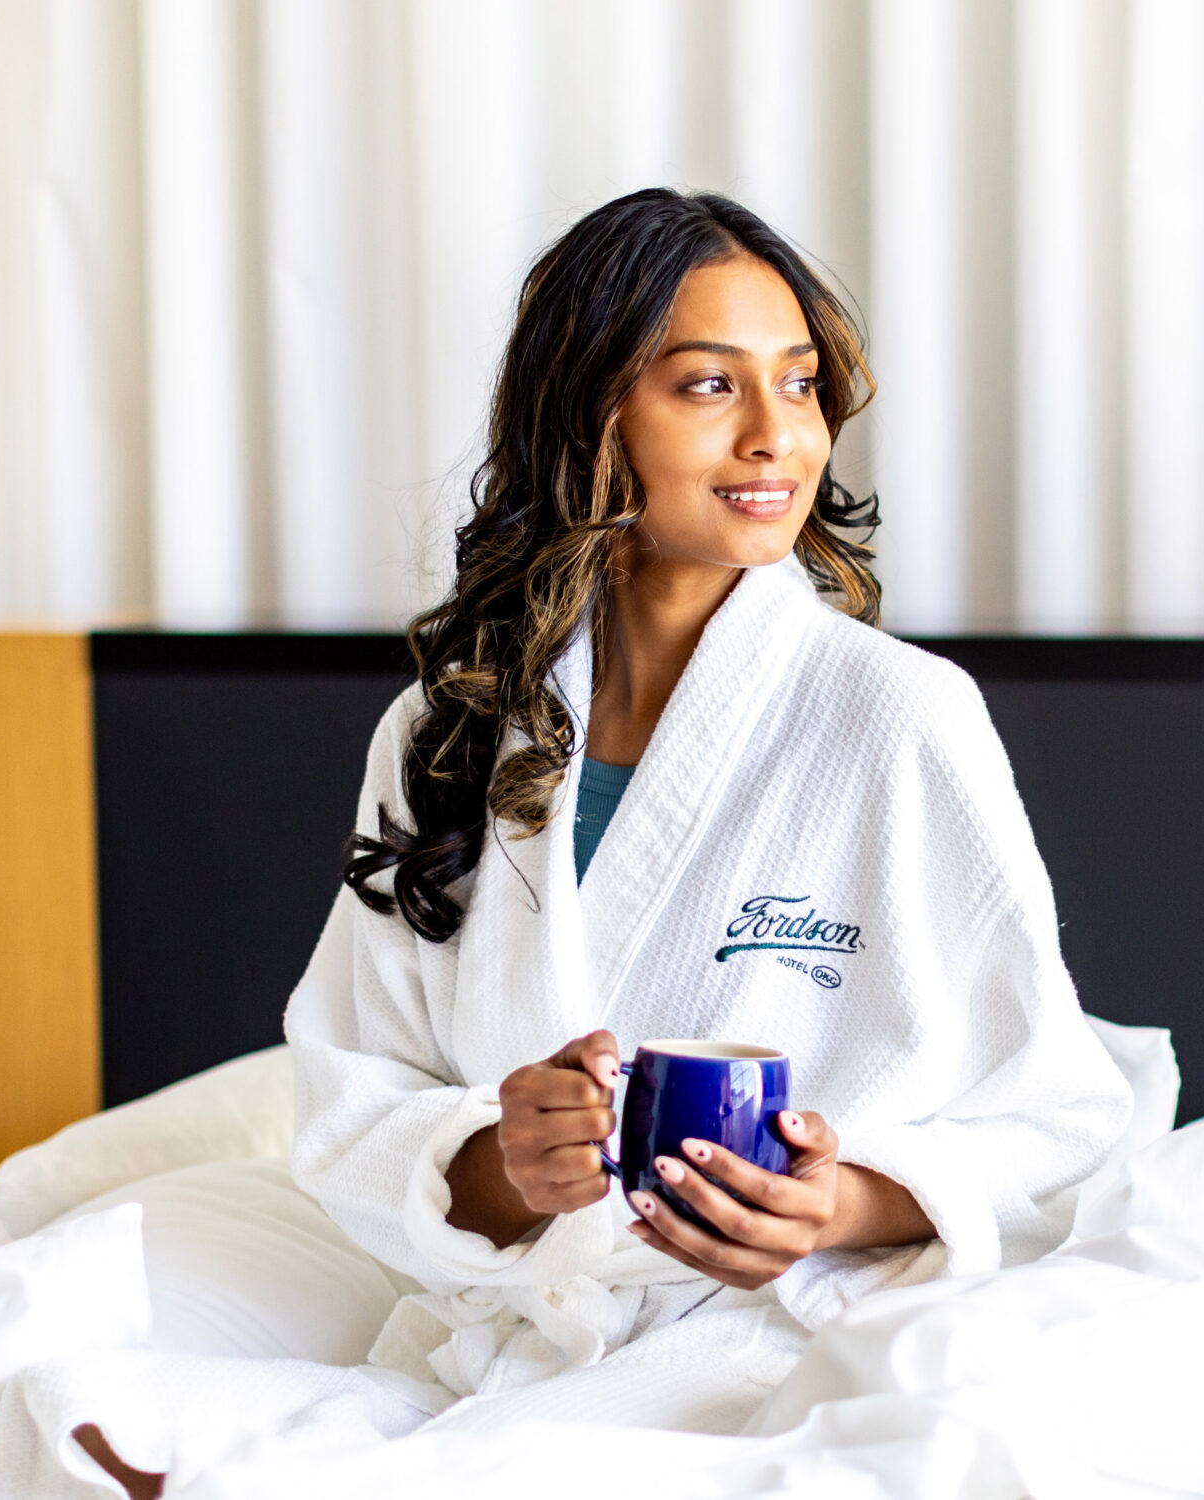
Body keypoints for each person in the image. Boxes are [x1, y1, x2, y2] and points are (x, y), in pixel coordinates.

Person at [284, 188, 1130, 1431]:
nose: (776, 437)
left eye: (798, 385)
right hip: (510, 1333)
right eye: (706, 386)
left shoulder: (895, 717)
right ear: (588, 412)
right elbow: (354, 1093)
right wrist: (503, 1165)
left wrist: (838, 1203)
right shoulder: (446, 727)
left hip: (779, 1332)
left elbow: (1060, 1109)